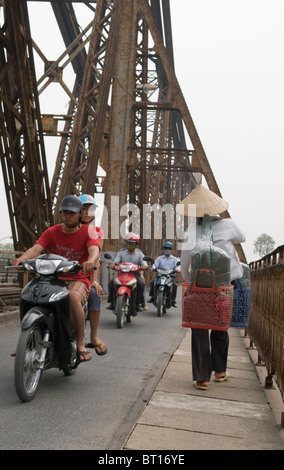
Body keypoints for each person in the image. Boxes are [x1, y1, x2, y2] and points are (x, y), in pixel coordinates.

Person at [12, 195, 101, 364]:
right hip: (52, 278)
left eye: (72, 213)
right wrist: (22, 259)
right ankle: (25, 339)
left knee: (73, 297)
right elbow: (36, 248)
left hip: (78, 278)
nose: (67, 215)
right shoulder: (52, 231)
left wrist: (90, 261)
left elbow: (94, 250)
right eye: (64, 212)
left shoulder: (87, 232)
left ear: (79, 214)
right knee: (27, 294)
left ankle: (81, 343)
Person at [178, 184, 246, 391]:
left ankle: (202, 378)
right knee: (220, 324)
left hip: (200, 285)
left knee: (199, 326)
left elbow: (185, 261)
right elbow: (242, 238)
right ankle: (220, 371)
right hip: (225, 285)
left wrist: (191, 282)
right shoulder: (228, 225)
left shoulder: (191, 231)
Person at [79, 194, 107, 356]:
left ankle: (93, 335)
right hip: (63, 272)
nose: (87, 212)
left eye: (91, 209)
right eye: (84, 208)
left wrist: (94, 280)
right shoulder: (66, 227)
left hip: (84, 274)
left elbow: (96, 257)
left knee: (95, 294)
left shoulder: (97, 232)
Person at [106, 232, 147, 313]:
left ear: (136, 244)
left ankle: (139, 304)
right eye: (129, 242)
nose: (131, 244)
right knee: (111, 283)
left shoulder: (140, 254)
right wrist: (113, 264)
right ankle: (112, 302)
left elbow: (144, 263)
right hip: (122, 274)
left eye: (133, 243)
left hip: (135, 275)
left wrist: (144, 266)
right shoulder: (121, 252)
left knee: (141, 284)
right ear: (126, 243)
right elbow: (116, 261)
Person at [148, 241, 181, 307]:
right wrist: (153, 268)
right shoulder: (159, 258)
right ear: (163, 249)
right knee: (153, 283)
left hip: (170, 276)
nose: (167, 250)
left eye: (169, 248)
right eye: (166, 248)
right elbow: (155, 264)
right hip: (160, 275)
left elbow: (178, 266)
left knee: (174, 285)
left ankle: (173, 300)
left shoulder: (174, 259)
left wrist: (177, 269)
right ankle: (153, 297)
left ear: (171, 250)